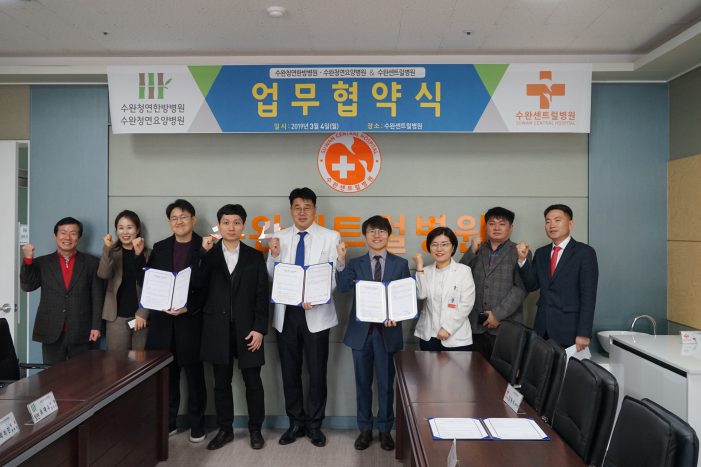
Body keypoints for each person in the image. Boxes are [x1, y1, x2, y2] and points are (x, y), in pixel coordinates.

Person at [267, 187, 340, 448]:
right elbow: (271, 275)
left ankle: (315, 425)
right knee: (290, 372)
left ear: (314, 210)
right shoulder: (279, 237)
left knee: (317, 372)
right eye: (297, 207)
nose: (302, 212)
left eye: (307, 207)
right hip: (287, 314)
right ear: (291, 210)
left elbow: (333, 275)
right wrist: (274, 256)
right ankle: (295, 422)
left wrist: (318, 296)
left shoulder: (330, 237)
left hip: (316, 313)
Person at [336, 215, 410, 451]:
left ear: (388, 235)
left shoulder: (400, 264)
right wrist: (340, 261)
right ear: (365, 235)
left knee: (387, 385)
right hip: (362, 333)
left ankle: (385, 430)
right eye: (372, 231)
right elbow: (343, 288)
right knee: (362, 383)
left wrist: (397, 316)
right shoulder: (355, 263)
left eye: (381, 231)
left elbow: (405, 297)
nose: (377, 235)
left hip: (388, 333)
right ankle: (365, 430)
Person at [199, 204, 269, 451]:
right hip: (216, 329)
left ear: (243, 226)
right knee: (221, 383)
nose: (231, 227)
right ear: (219, 225)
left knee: (253, 382)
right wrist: (202, 255)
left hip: (248, 330)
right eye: (226, 222)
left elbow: (262, 295)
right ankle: (225, 430)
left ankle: (255, 430)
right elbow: (195, 286)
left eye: (236, 222)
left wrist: (260, 328)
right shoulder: (208, 255)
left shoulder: (254, 256)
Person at [143, 199, 207, 443]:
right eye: (174, 218)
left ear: (193, 219)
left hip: (191, 322)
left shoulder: (205, 246)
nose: (179, 222)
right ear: (169, 222)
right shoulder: (160, 248)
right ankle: (168, 422)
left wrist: (188, 307)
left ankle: (197, 425)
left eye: (184, 217)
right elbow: (149, 282)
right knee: (167, 377)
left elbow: (210, 286)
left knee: (194, 377)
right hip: (162, 324)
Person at [20, 217, 104, 364]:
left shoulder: (92, 263)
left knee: (83, 373)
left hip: (82, 330)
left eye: (73, 233)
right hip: (50, 329)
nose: (67, 237)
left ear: (79, 237)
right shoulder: (42, 263)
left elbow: (97, 296)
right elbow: (28, 286)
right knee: (52, 374)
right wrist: (28, 259)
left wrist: (96, 326)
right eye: (63, 233)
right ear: (56, 236)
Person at [517, 204, 599, 351]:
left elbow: (588, 296)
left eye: (557, 220)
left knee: (566, 367)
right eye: (548, 221)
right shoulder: (541, 253)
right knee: (541, 366)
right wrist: (522, 261)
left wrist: (584, 333)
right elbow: (532, 285)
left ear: (570, 224)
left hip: (570, 330)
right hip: (542, 328)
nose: (552, 225)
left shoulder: (585, 253)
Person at [459, 207, 527, 359]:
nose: (496, 228)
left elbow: (521, 288)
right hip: (475, 326)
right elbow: (458, 277)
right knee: (474, 370)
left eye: (502, 224)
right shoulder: (477, 249)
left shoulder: (519, 251)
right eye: (492, 223)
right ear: (486, 227)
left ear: (511, 228)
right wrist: (471, 252)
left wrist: (497, 315)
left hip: (506, 325)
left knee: (502, 371)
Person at [412, 227, 475, 351]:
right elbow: (421, 295)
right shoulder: (425, 271)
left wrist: (448, 328)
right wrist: (419, 267)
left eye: (444, 244)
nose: (439, 249)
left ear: (453, 247)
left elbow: (466, 304)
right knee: (427, 365)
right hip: (429, 336)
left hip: (456, 337)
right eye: (434, 244)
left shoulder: (464, 271)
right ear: (429, 247)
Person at [97, 210, 149, 351]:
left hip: (141, 317)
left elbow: (152, 287)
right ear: (116, 231)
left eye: (129, 227)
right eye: (121, 228)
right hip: (116, 317)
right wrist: (107, 249)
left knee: (141, 361)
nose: (125, 232)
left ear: (137, 230)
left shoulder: (148, 254)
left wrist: (143, 313)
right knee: (116, 361)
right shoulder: (112, 252)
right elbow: (103, 274)